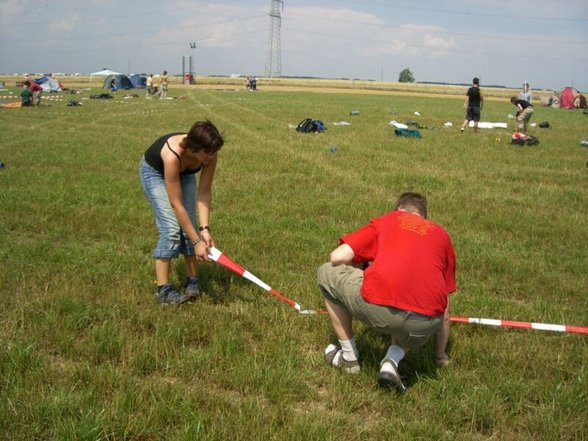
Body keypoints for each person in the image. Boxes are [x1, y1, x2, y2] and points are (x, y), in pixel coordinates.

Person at [317, 192, 457, 392]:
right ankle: (391, 361)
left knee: (326, 272)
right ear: (423, 217)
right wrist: (440, 356)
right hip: (425, 327)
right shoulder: (442, 235)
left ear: (399, 210)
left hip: (382, 311)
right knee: (410, 301)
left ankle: (349, 359)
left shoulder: (389, 219)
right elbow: (446, 308)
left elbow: (338, 257)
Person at [140, 120, 224, 304]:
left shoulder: (209, 154)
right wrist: (196, 241)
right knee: (170, 229)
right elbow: (176, 204)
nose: (211, 157)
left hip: (184, 173)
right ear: (193, 148)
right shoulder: (172, 155)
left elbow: (203, 194)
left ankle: (192, 281)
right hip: (155, 173)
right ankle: (163, 291)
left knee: (191, 227)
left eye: (213, 152)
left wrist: (204, 230)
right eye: (207, 153)